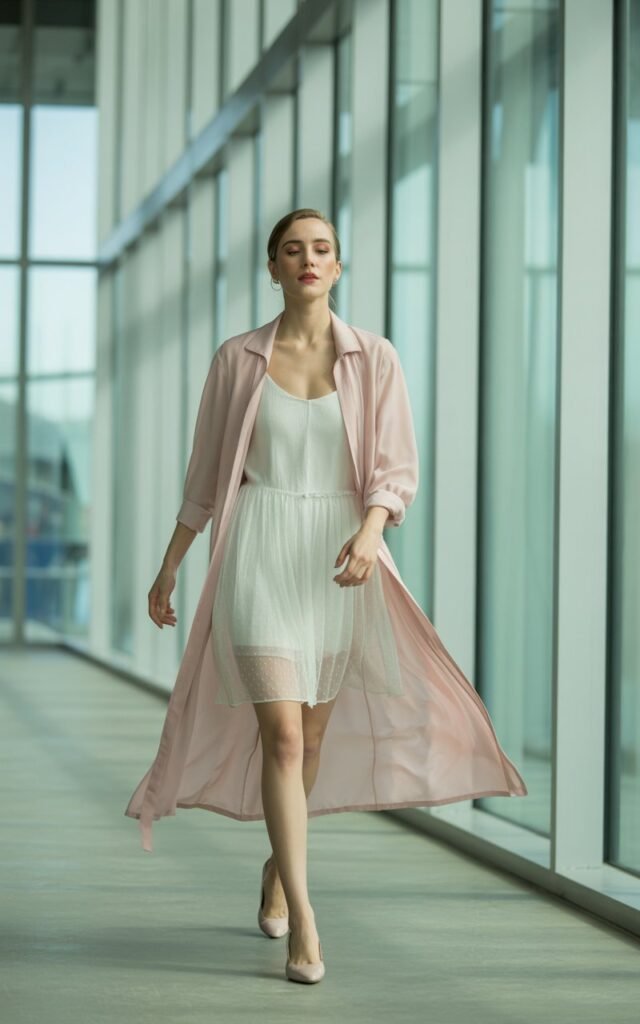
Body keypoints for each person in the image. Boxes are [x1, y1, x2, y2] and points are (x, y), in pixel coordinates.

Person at [139, 208, 527, 986]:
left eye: (321, 249)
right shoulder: (237, 359)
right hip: (258, 551)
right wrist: (170, 566)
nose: (308, 260)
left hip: (339, 564)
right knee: (280, 736)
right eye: (293, 249)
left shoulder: (375, 359)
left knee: (311, 741)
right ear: (273, 268)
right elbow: (207, 475)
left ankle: (279, 870)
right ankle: (306, 923)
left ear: (339, 267)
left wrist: (371, 531)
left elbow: (394, 470)